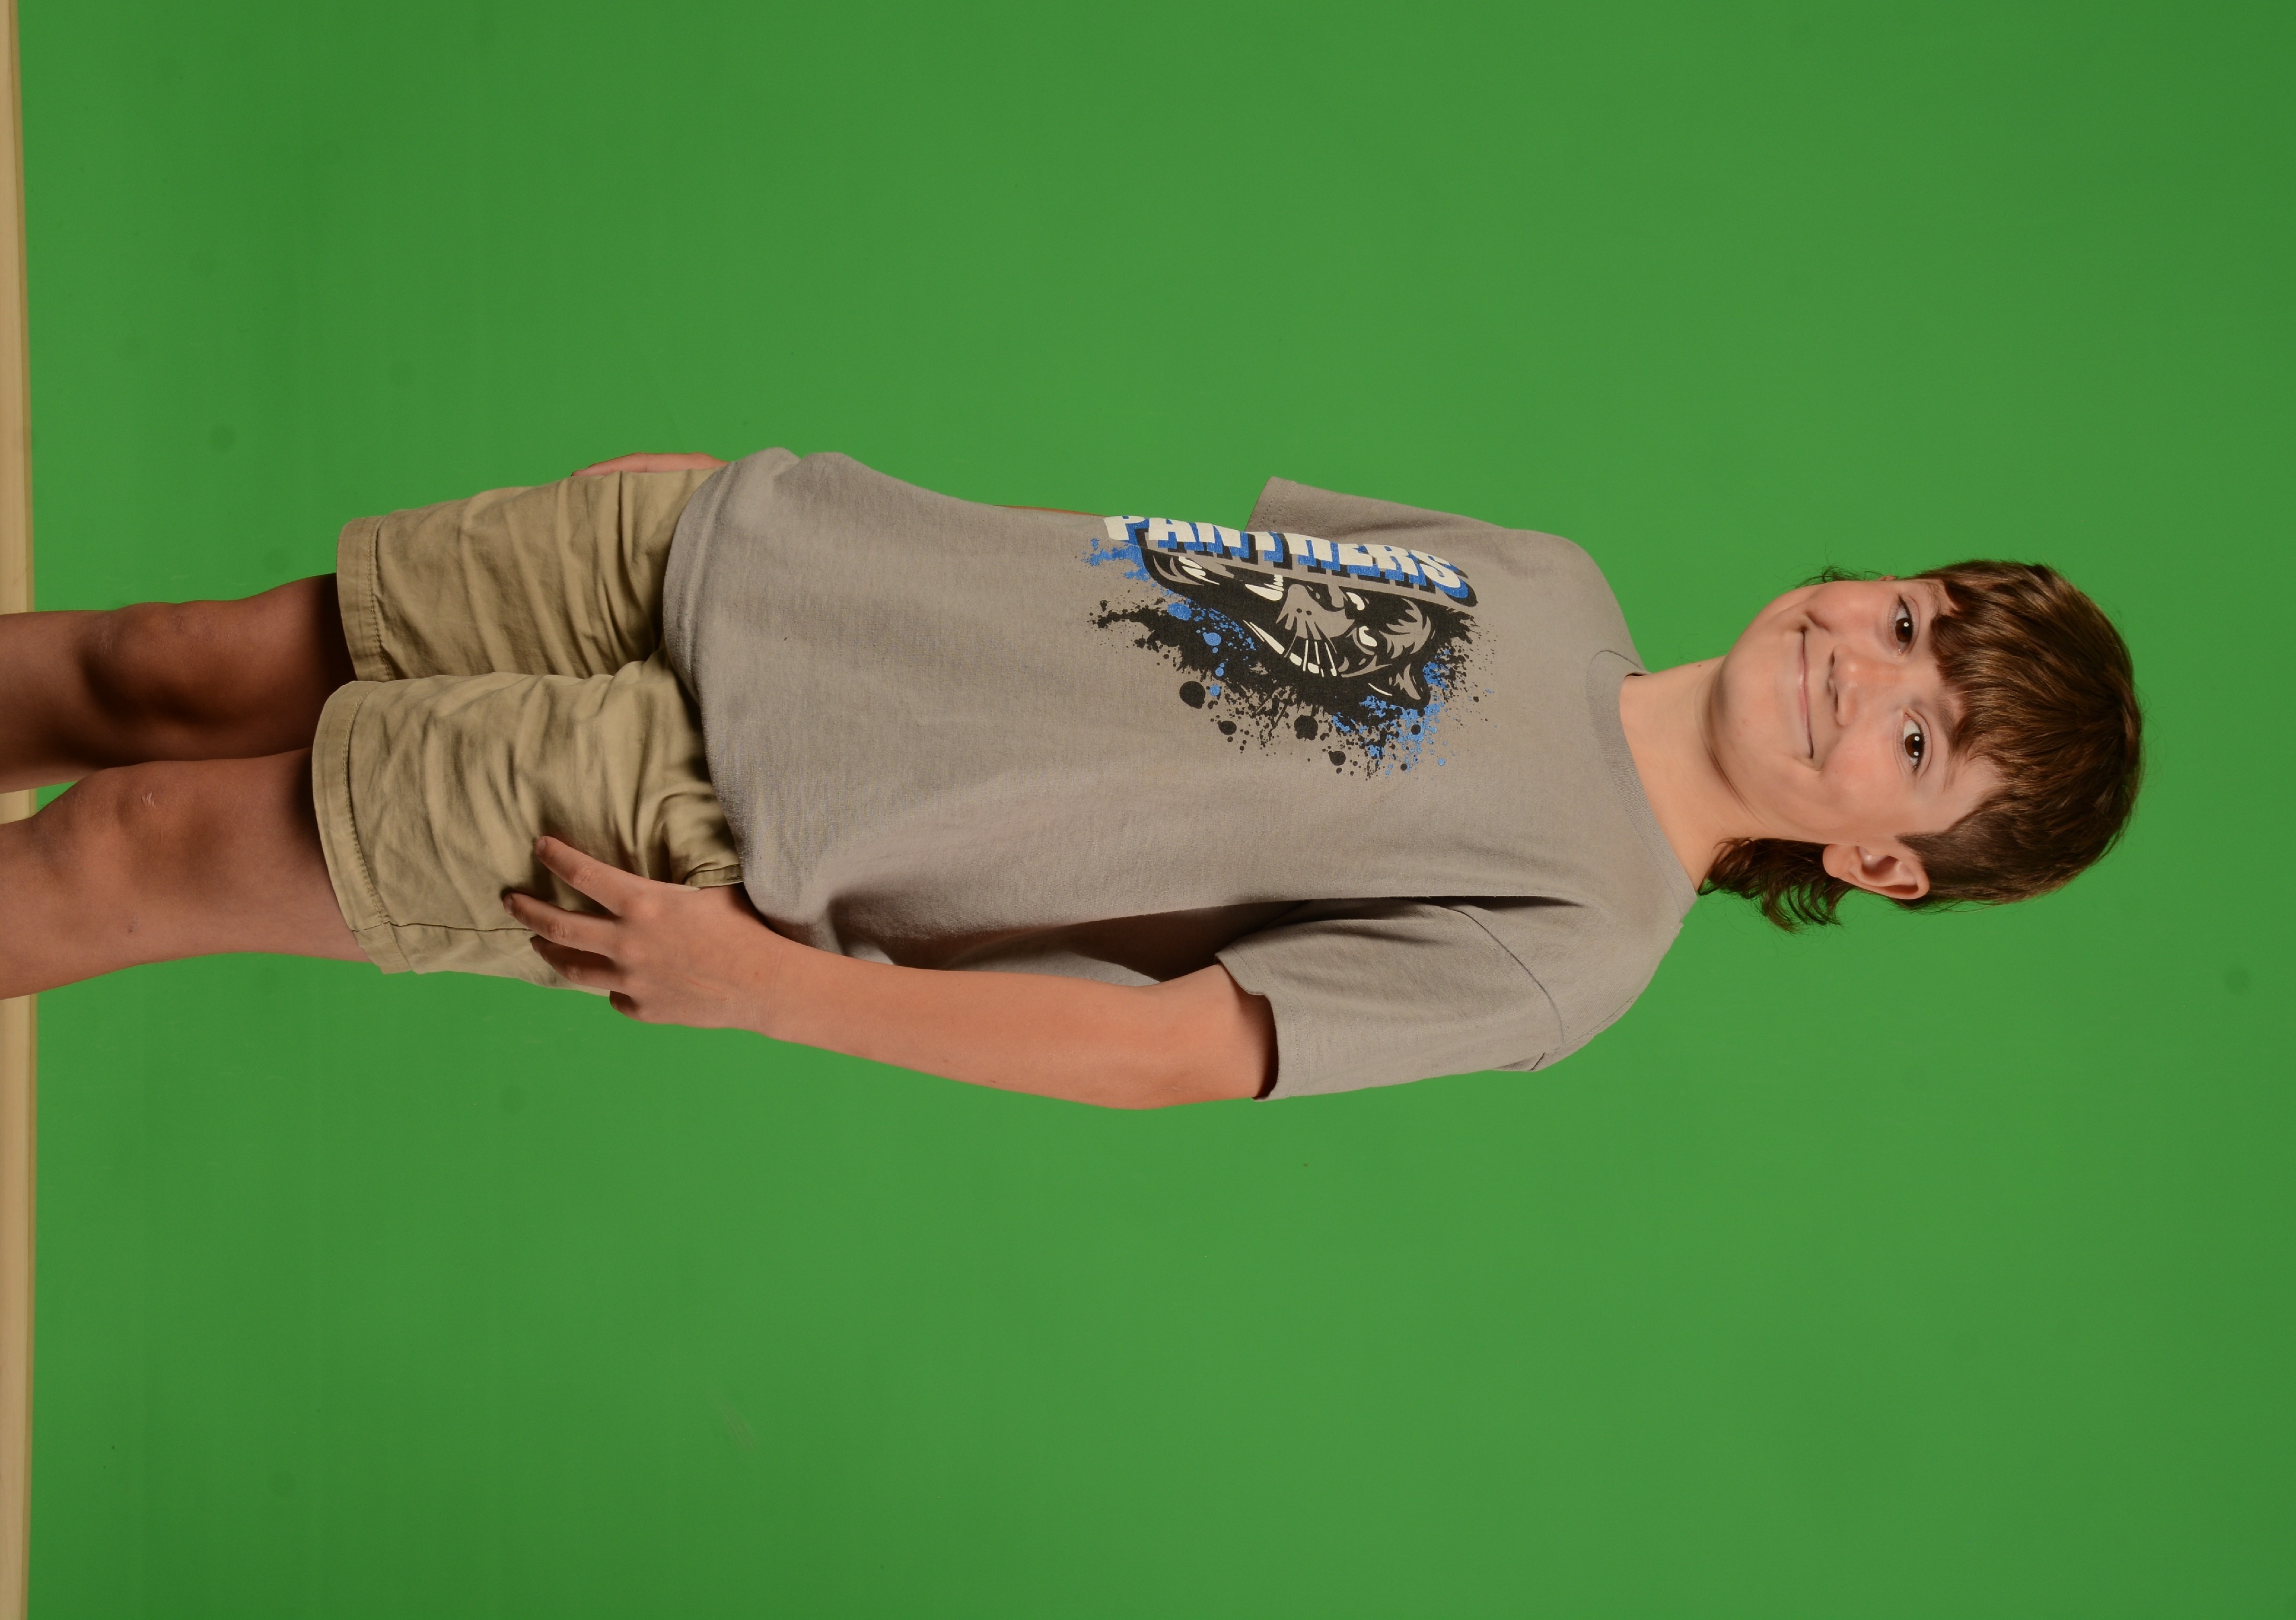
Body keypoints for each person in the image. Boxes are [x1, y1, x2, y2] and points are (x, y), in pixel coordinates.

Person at [0, 449, 2141, 1107]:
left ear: (1885, 861)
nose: (1864, 664)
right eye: (1909, 618)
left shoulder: (1576, 947)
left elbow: (1179, 1052)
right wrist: (753, 499)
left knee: (141, 845)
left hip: (743, 820)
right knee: (158, 666)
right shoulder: (1550, 578)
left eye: (1917, 738)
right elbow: (1134, 594)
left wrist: (780, 989)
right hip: (735, 558)